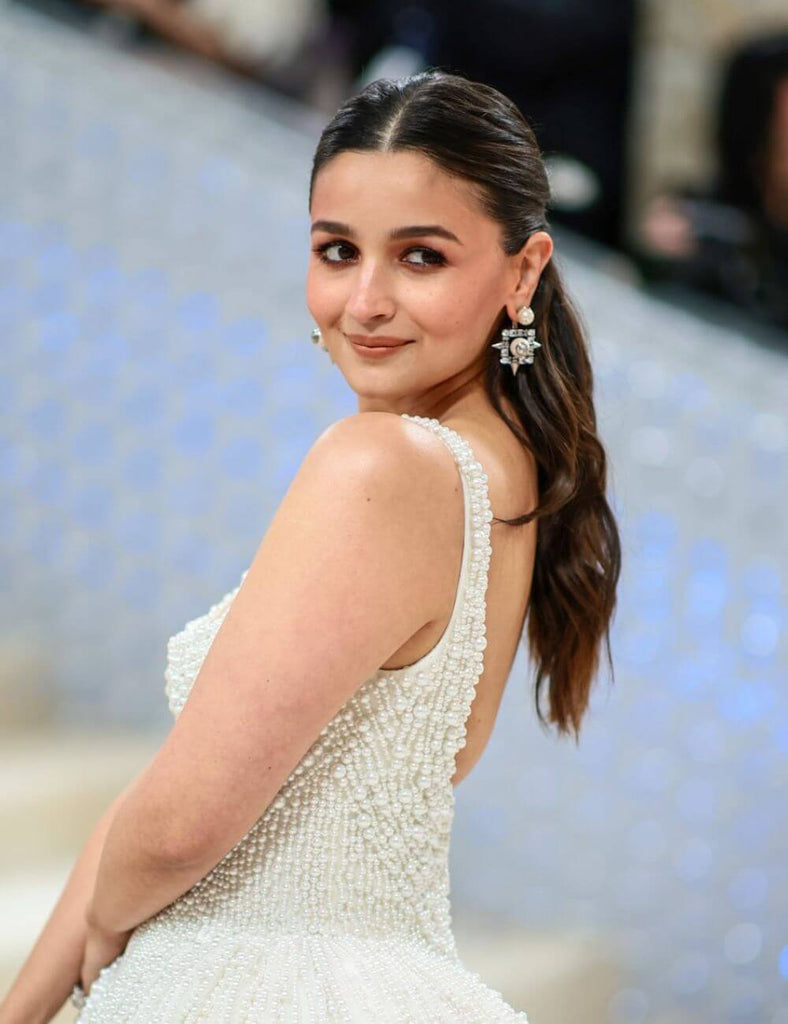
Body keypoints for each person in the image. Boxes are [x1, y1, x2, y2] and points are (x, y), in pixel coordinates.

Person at [0, 70, 621, 1024]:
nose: (365, 300)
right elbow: (171, 789)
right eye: (338, 250)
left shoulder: (385, 465)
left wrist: (109, 921)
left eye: (420, 257)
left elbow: (177, 826)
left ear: (522, 272)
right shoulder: (507, 480)